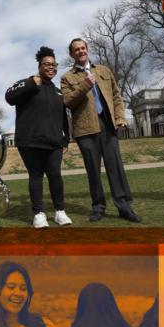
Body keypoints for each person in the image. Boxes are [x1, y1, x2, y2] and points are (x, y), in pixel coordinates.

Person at [61, 38, 140, 223]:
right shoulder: (67, 77)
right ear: (72, 54)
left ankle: (124, 207)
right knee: (93, 171)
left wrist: (120, 118)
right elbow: (67, 101)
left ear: (87, 50)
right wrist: (85, 85)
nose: (80, 51)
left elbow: (116, 96)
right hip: (85, 130)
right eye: (76, 50)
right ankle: (98, 207)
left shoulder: (103, 70)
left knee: (116, 168)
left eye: (83, 48)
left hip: (108, 126)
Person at [5, 45, 72, 229]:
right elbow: (9, 97)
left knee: (55, 176)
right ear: (39, 66)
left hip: (54, 143)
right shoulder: (29, 83)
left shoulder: (58, 91)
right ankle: (39, 214)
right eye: (47, 64)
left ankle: (60, 212)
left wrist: (65, 139)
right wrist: (30, 84)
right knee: (36, 176)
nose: (51, 67)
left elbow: (63, 117)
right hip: (30, 142)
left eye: (54, 64)